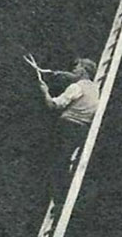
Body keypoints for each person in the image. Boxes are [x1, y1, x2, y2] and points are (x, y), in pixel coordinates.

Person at [34, 56, 100, 206]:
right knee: (66, 162)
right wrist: (58, 74)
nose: (73, 69)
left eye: (76, 67)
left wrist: (45, 91)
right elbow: (73, 78)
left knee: (57, 165)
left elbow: (53, 105)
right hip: (82, 131)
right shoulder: (95, 89)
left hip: (66, 127)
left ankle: (60, 203)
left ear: (83, 70)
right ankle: (66, 198)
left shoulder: (76, 87)